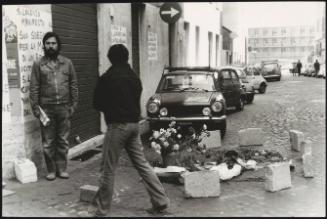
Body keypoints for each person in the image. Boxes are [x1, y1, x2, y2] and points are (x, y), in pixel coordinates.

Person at [92, 44, 170, 216]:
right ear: (126, 57)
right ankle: (161, 201)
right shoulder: (134, 77)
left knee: (107, 168)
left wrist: (111, 109)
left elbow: (96, 103)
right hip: (134, 126)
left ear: (111, 58)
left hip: (117, 127)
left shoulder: (107, 77)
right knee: (142, 165)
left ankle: (102, 209)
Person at [30, 32, 78, 180]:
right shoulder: (38, 64)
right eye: (48, 43)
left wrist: (73, 105)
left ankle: (62, 169)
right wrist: (36, 108)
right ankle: (51, 170)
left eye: (53, 43)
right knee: (48, 141)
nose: (51, 46)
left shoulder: (67, 63)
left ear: (58, 45)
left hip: (64, 107)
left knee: (63, 140)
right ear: (44, 46)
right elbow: (34, 87)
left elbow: (73, 85)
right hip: (46, 109)